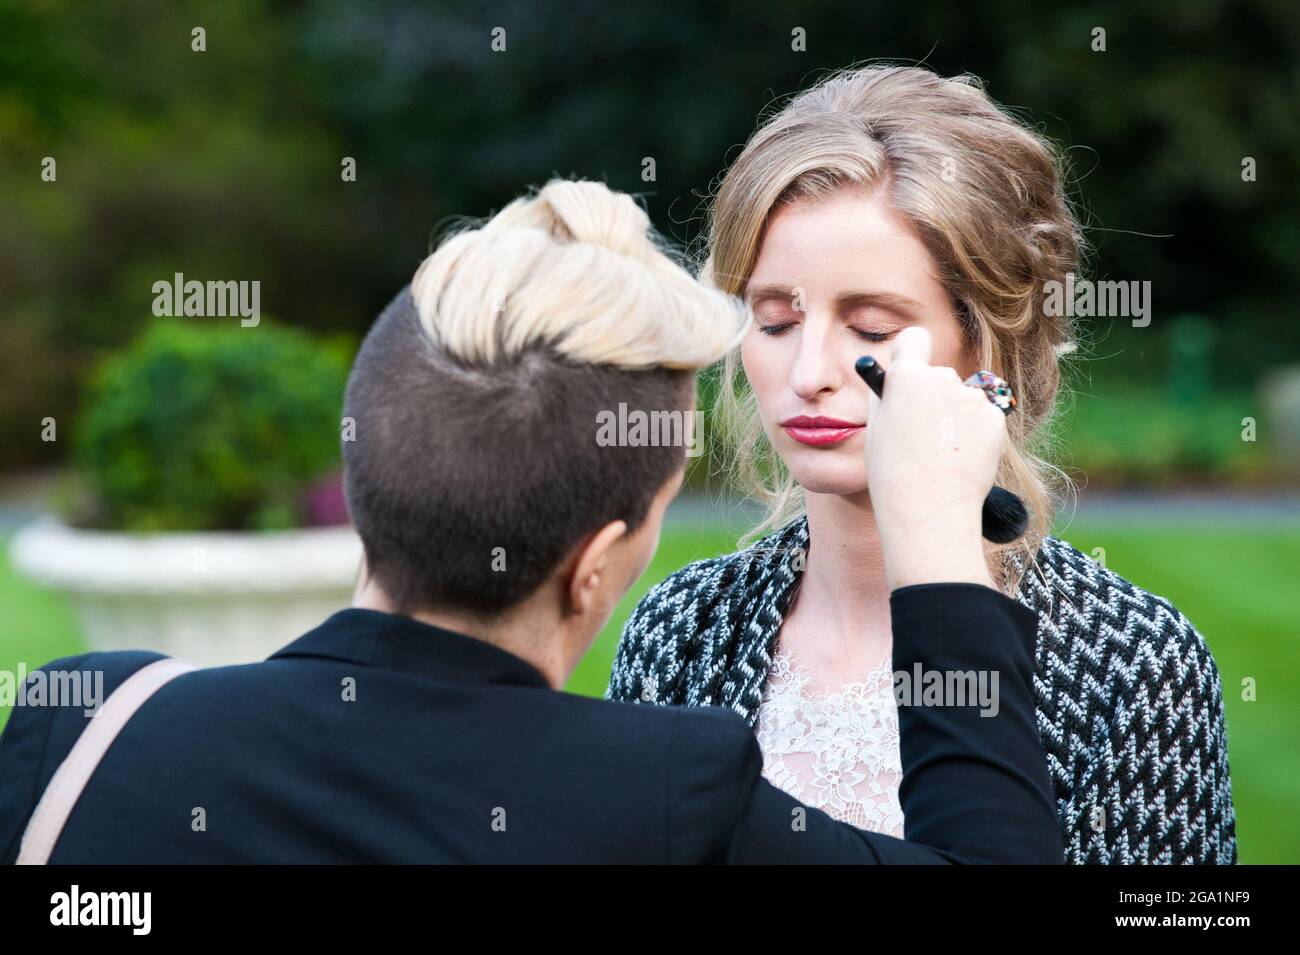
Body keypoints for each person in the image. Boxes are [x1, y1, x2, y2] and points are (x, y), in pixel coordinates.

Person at [0, 180, 1061, 864]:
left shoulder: (85, 725)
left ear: (363, 478)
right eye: (775, 321)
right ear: (597, 564)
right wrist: (940, 552)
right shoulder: (667, 802)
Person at [606, 65, 1236, 864]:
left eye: (869, 326)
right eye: (774, 321)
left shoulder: (1135, 663)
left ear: (988, 345)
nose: (809, 372)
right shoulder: (679, 629)